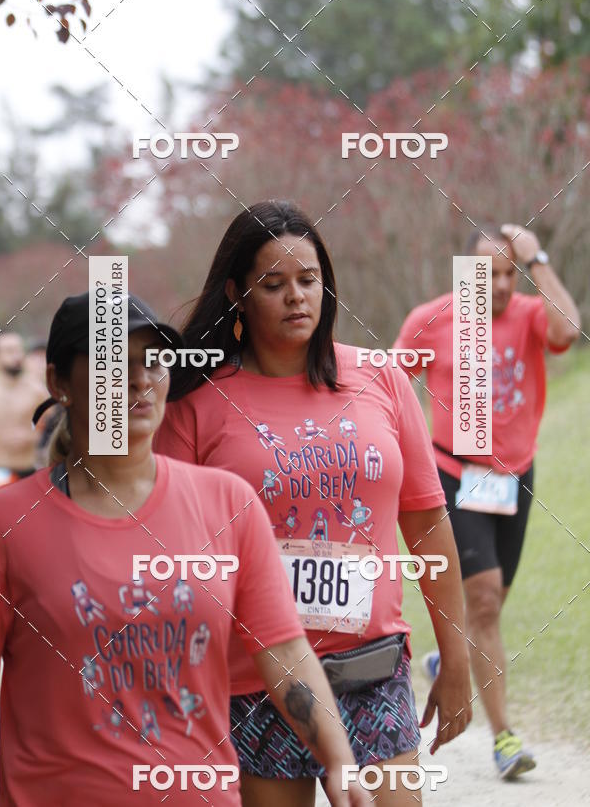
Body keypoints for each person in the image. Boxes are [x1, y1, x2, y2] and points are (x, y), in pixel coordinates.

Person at [0, 291, 368, 807]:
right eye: (112, 364)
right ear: (60, 383)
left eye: (153, 362)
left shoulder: (226, 502)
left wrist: (339, 760)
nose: (139, 379)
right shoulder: (7, 523)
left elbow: (283, 650)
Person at [154, 200, 472, 807]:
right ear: (236, 293)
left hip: (372, 670)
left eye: (309, 280)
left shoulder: (381, 379)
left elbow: (428, 523)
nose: (297, 297)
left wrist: (456, 658)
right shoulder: (195, 404)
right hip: (257, 685)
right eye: (274, 284)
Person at [393, 222, 580, 779]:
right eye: (487, 273)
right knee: (485, 605)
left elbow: (569, 329)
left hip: (516, 478)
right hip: (455, 474)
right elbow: (393, 387)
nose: (498, 285)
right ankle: (504, 738)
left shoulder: (528, 314)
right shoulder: (433, 319)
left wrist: (538, 257)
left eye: (508, 273)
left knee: (488, 605)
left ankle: (450, 661)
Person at [0, 332, 46, 492]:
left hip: (26, 470)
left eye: (19, 350)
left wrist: (32, 436)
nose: (16, 356)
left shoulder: (38, 392)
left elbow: (55, 428)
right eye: (9, 351)